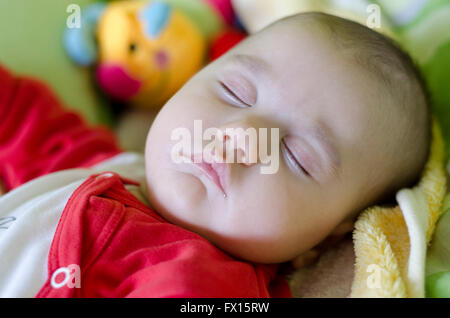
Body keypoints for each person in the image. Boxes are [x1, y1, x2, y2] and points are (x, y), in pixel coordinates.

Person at [0, 12, 430, 297]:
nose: (242, 136)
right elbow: (23, 119)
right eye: (234, 92)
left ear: (326, 240)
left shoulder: (210, 286)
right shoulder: (103, 166)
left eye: (297, 156)